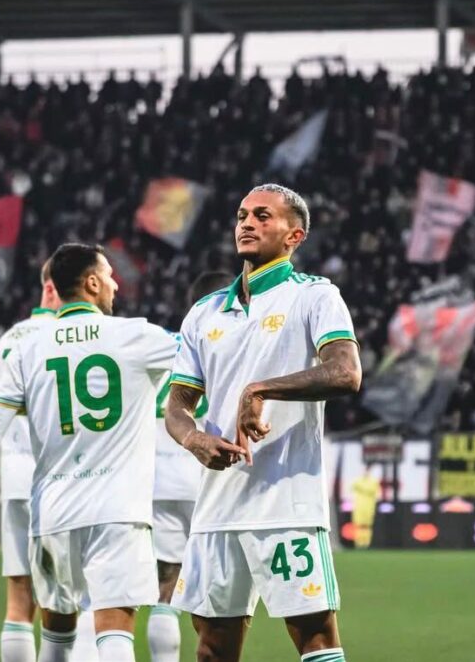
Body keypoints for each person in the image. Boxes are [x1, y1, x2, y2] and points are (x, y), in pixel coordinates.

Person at [0, 243, 179, 662]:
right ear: (92, 283)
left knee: (57, 638)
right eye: (110, 276)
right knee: (115, 631)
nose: (116, 285)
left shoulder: (27, 348)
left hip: (53, 514)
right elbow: (208, 354)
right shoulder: (138, 335)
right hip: (118, 511)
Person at [165, 183, 362, 662]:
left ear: (295, 235)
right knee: (212, 648)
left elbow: (346, 372)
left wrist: (260, 389)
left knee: (316, 640)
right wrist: (193, 439)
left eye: (262, 216)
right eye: (241, 216)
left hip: (285, 502)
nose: (247, 224)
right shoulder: (204, 312)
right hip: (217, 506)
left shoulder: (314, 296)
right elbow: (177, 405)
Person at [148, 269, 233, 662]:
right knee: (214, 588)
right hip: (210, 475)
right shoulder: (231, 339)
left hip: (158, 477)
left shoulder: (159, 344)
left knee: (166, 584)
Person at [0, 261, 61, 662]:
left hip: (16, 477)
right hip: (60, 477)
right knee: (68, 600)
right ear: (52, 288)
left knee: (19, 599)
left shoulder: (9, 338)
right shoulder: (68, 336)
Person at [350, 468, 381, 550]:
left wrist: (362, 488)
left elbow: (373, 490)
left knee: (367, 526)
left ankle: (366, 543)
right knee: (358, 525)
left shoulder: (373, 481)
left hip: (369, 507)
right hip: (359, 507)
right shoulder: (358, 480)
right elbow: (352, 487)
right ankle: (358, 542)